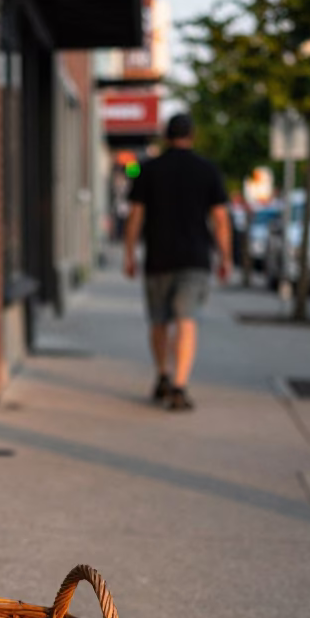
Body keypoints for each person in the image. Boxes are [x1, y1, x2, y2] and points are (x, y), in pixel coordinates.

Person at [123, 113, 231, 411]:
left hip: (158, 257)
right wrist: (226, 257)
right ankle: (180, 386)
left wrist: (129, 254)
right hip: (195, 259)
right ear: (192, 136)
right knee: (186, 321)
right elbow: (220, 219)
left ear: (165, 136)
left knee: (159, 320)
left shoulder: (148, 170)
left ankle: (162, 376)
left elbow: (135, 216)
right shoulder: (207, 170)